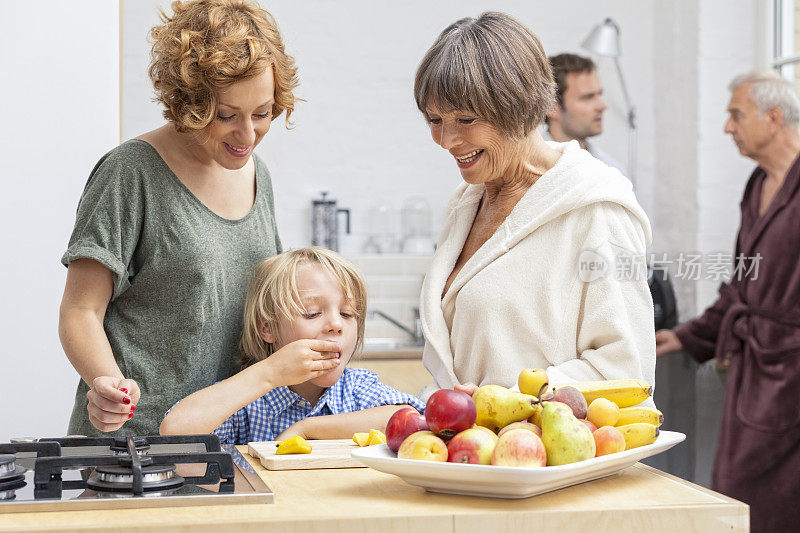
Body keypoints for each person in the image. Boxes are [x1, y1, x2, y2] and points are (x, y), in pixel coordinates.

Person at [58, 0, 296, 436]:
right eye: (226, 116)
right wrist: (104, 382)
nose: (248, 135)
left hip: (223, 441)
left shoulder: (258, 175)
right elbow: (80, 310)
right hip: (133, 444)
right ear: (189, 102)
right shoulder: (130, 172)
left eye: (261, 114)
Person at [413, 13, 655, 401]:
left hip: (548, 453)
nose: (446, 139)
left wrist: (502, 402)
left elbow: (626, 370)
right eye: (435, 119)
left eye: (466, 119)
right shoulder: (466, 204)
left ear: (520, 107)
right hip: (469, 453)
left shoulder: (596, 208)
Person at [656, 70, 800, 533]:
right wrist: (685, 336)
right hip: (757, 374)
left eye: (736, 115)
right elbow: (743, 286)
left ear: (773, 118)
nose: (727, 127)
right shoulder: (757, 185)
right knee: (740, 491)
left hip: (791, 370)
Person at [160, 248, 424, 442]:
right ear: (268, 328)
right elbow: (174, 431)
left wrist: (308, 429)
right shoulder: (248, 403)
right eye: (311, 314)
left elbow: (411, 419)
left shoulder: (356, 390)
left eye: (347, 314)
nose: (336, 324)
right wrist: (270, 372)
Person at [543, 53, 626, 174]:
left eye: (599, 94)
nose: (602, 106)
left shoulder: (613, 172)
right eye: (588, 97)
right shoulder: (525, 171)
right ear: (552, 107)